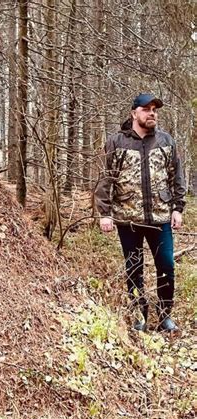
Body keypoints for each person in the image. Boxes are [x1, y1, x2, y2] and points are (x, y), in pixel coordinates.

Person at [94, 93, 186, 333]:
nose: (152, 113)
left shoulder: (166, 141)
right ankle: (139, 316)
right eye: (146, 109)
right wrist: (105, 212)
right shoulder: (116, 142)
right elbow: (106, 179)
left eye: (154, 109)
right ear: (134, 113)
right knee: (133, 268)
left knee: (166, 265)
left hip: (160, 217)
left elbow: (176, 176)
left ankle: (165, 315)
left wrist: (177, 208)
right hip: (128, 218)